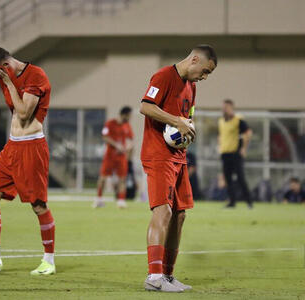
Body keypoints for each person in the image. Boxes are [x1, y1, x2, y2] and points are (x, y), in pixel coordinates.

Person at [0, 47, 55, 275]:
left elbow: (25, 113)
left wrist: (8, 84)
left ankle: (49, 261)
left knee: (38, 205)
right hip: (12, 147)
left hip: (32, 147)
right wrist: (7, 83)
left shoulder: (36, 75)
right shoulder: (5, 78)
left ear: (4, 66)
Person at [139, 44, 217, 292]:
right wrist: (176, 121)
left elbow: (188, 116)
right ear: (194, 59)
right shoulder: (163, 76)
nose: (204, 77)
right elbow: (146, 107)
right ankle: (153, 277)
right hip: (158, 155)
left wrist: (188, 128)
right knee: (163, 212)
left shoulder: (191, 87)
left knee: (180, 215)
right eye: (204, 71)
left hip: (179, 157)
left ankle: (168, 276)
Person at [93, 106, 134, 208]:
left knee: (122, 178)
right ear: (124, 114)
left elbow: (130, 140)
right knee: (103, 177)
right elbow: (105, 136)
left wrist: (128, 146)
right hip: (110, 156)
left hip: (121, 157)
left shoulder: (127, 126)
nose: (130, 118)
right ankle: (98, 199)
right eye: (129, 115)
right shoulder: (110, 123)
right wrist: (116, 145)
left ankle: (121, 201)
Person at [218, 99, 253, 208]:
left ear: (231, 108)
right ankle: (232, 202)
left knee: (241, 178)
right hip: (225, 154)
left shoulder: (238, 120)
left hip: (235, 154)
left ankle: (249, 201)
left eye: (227, 107)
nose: (224, 109)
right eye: (223, 107)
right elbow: (221, 136)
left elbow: (248, 132)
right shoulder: (221, 121)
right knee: (228, 179)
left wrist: (244, 148)